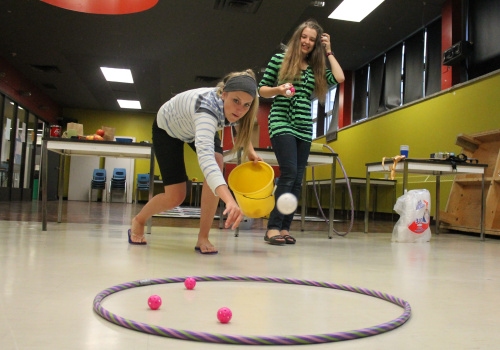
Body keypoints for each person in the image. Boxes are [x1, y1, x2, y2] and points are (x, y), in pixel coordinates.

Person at [129, 69, 262, 254]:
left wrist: (251, 152)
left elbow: (241, 124)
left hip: (193, 127)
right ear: (223, 94)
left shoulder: (239, 109)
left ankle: (203, 237)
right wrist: (230, 201)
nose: (240, 109)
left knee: (218, 160)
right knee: (176, 196)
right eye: (236, 101)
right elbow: (206, 161)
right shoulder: (206, 110)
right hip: (168, 128)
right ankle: (139, 220)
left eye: (246, 105)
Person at [258, 19, 345, 245]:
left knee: (297, 179)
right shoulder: (279, 60)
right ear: (297, 37)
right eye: (304, 37)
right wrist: (279, 89)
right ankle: (273, 227)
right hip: (281, 122)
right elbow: (262, 90)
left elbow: (339, 78)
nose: (306, 42)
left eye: (312, 39)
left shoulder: (316, 68)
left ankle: (285, 228)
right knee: (288, 173)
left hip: (304, 128)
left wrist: (329, 51)